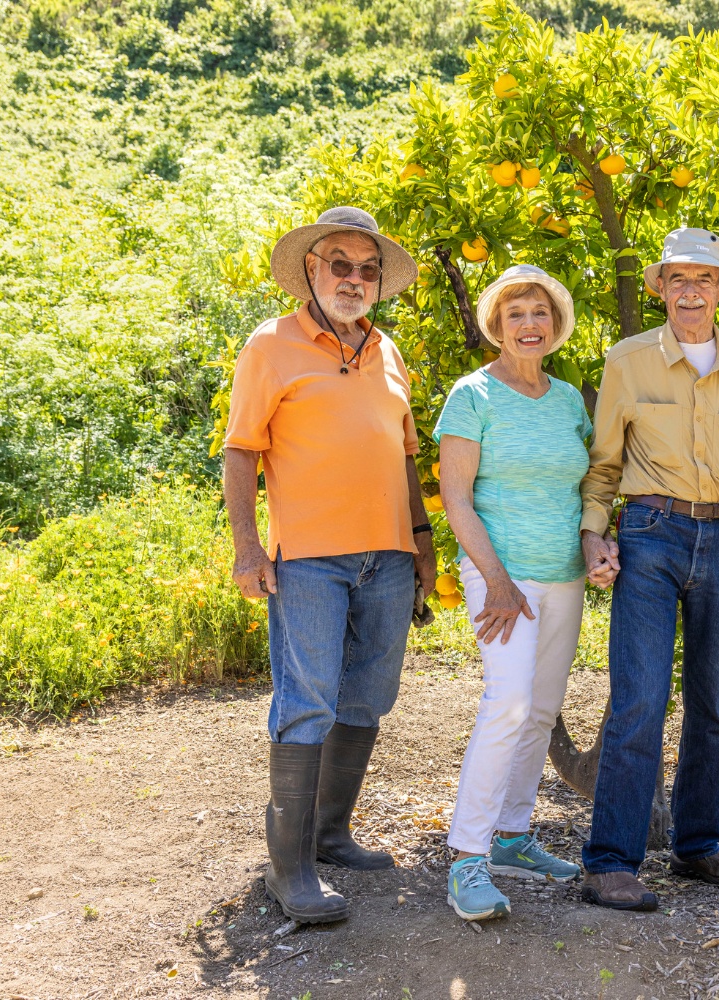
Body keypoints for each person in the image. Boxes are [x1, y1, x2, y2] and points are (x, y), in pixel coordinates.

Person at [223, 206, 434, 924]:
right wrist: (248, 548)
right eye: (339, 264)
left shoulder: (388, 350)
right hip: (309, 557)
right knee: (307, 697)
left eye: (366, 269)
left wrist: (423, 543)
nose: (354, 278)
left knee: (368, 695)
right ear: (312, 269)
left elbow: (405, 457)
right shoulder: (270, 345)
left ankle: (331, 832)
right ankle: (292, 872)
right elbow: (241, 450)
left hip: (390, 555)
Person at [577, 228, 719, 912]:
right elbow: (605, 465)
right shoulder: (628, 361)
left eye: (705, 278)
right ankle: (611, 860)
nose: (691, 290)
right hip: (650, 534)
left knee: (713, 705)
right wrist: (593, 534)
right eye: (677, 279)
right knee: (638, 700)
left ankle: (698, 847)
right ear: (659, 288)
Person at [434, 265, 606, 921]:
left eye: (539, 313)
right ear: (497, 327)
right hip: (498, 572)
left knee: (541, 709)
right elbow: (455, 499)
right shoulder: (471, 395)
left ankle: (511, 836)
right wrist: (498, 581)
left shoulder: (567, 401)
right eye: (515, 314)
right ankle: (467, 859)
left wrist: (595, 544)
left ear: (555, 325)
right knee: (506, 702)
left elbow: (585, 487)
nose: (529, 324)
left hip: (562, 572)